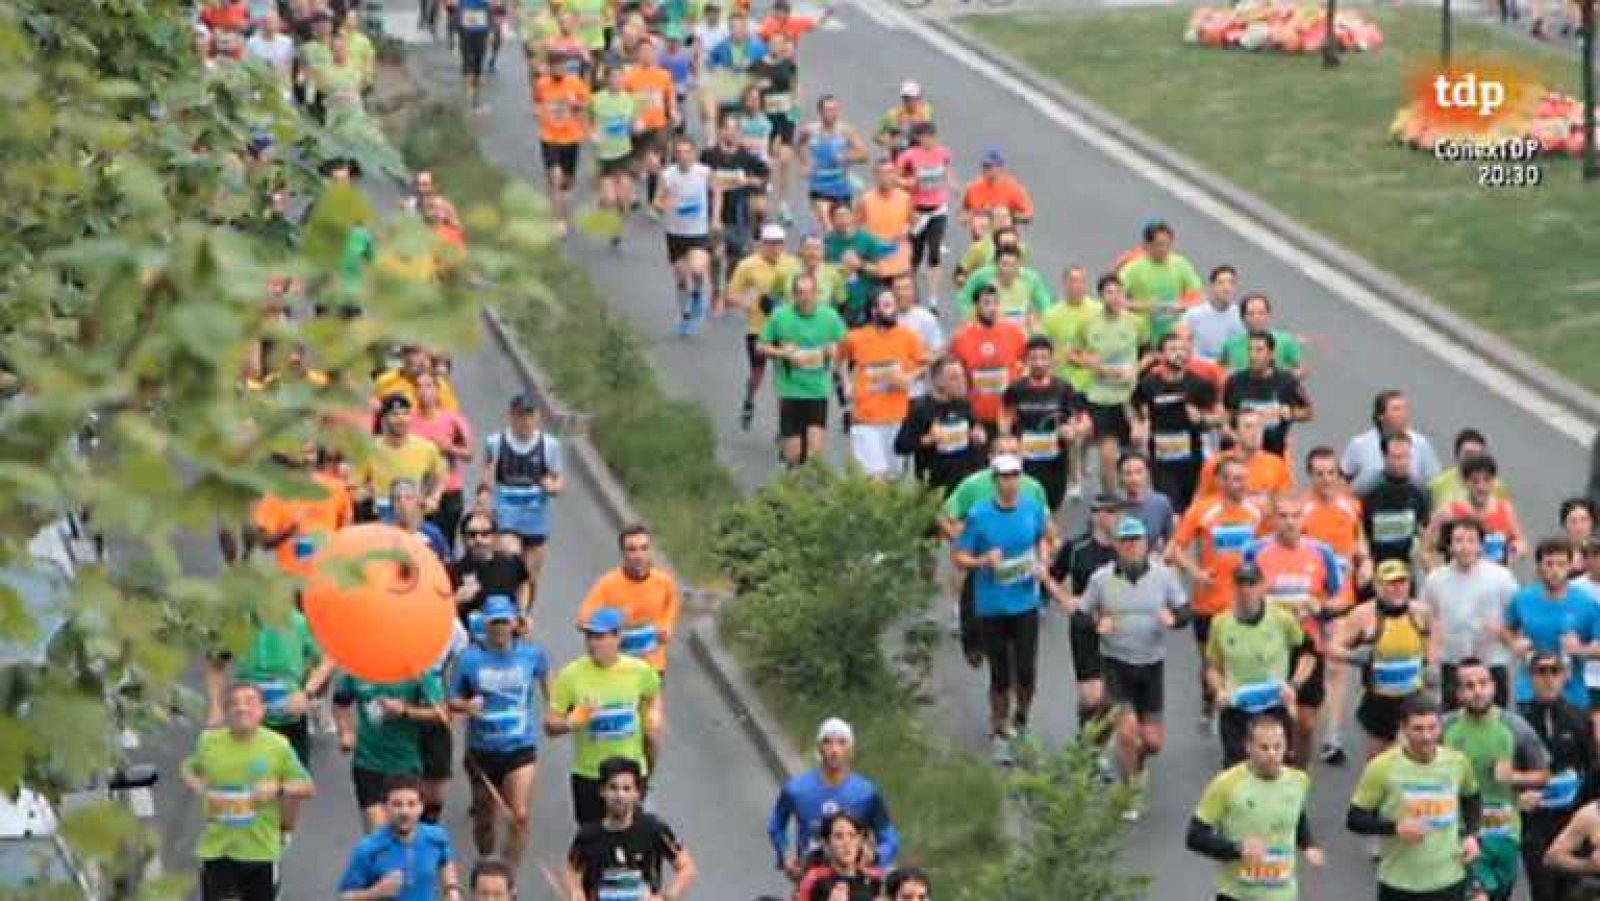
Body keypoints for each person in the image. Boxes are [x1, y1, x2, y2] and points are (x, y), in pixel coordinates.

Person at [1079, 516, 1190, 817]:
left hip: (1151, 666)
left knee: (1152, 743)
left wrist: (1174, 620)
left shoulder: (1163, 576)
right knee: (1128, 732)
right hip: (1116, 664)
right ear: (1116, 546)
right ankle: (1131, 791)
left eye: (1136, 540)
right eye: (1125, 541)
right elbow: (1080, 614)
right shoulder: (1101, 579)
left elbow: (1185, 610)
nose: (1131, 546)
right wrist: (1097, 622)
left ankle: (1134, 763)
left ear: (1146, 544)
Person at [952, 453, 1053, 764]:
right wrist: (983, 560)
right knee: (1000, 674)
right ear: (995, 480)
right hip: (992, 604)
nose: (1010, 483)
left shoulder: (1032, 508)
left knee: (1026, 670)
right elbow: (960, 556)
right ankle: (999, 730)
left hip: (1025, 601)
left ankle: (1021, 720)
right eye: (1004, 477)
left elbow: (1045, 539)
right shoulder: (979, 515)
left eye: (1014, 477)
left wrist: (1043, 562)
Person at [183, 683, 315, 901]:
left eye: (250, 702)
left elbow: (307, 787)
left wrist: (278, 787)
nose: (241, 708)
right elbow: (190, 769)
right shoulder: (208, 742)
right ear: (226, 712)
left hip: (260, 851)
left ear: (262, 710)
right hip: (218, 848)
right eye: (234, 704)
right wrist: (194, 782)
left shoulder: (278, 745)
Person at [1346, 695, 1483, 900]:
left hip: (1449, 879)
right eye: (1418, 729)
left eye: (1432, 728)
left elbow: (1472, 797)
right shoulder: (1382, 767)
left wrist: (1472, 835)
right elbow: (1355, 819)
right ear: (1403, 729)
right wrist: (1395, 828)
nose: (1426, 737)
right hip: (1400, 883)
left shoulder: (1457, 763)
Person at [451, 595, 551, 869]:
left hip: (520, 746)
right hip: (482, 749)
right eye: (494, 623)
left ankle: (507, 876)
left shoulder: (531, 655)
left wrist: (553, 708)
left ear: (515, 624)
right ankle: (487, 864)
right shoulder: (469, 659)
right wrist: (466, 706)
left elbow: (546, 678)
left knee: (519, 815)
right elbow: (451, 699)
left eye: (504, 622)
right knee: (485, 818)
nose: (499, 629)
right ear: (485, 625)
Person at [1244, 493, 1342, 766]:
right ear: (1272, 519)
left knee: (1306, 724)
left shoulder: (1321, 552)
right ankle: (1271, 772)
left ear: (1304, 518)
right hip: (1269, 647)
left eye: (1296, 516)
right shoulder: (1256, 552)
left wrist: (1319, 607)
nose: (1290, 523)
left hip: (1307, 645)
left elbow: (1340, 598)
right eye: (1283, 516)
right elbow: (1244, 596)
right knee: (1271, 722)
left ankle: (1299, 775)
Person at [1443, 657, 1552, 901]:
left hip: (1503, 833)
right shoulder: (1445, 727)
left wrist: (1514, 777)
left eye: (1483, 683)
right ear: (1458, 693)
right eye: (1469, 686)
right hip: (1461, 834)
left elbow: (1544, 774)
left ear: (1493, 686)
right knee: (1476, 895)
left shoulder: (1515, 727)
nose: (1477, 691)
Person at [1169, 458, 1267, 732]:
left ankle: (1242, 714)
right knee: (1211, 661)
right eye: (1234, 479)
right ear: (1220, 482)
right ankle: (1209, 698)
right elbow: (1175, 549)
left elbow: (1268, 547)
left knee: (1245, 658)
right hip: (1209, 603)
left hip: (1245, 602)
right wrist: (1196, 572)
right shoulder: (1202, 510)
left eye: (1243, 478)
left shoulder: (1256, 512)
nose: (1240, 485)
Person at [939, 436, 1050, 668]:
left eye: (1014, 452)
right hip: (983, 567)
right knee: (981, 647)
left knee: (1021, 656)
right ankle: (972, 638)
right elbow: (945, 516)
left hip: (1020, 571)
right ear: (990, 458)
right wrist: (963, 544)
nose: (1008, 458)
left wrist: (1045, 559)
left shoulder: (1033, 488)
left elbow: (1046, 530)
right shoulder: (973, 485)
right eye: (1001, 452)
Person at [546, 608, 664, 824]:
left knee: (630, 836)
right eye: (589, 637)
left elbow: (654, 692)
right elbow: (550, 726)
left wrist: (654, 714)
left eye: (600, 637)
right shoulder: (571, 676)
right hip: (590, 775)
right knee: (594, 839)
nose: (593, 644)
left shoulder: (639, 671)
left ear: (617, 637)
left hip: (629, 774)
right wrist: (572, 722)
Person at [1187, 715, 1324, 900]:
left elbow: (1296, 815)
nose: (1272, 754)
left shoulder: (1298, 781)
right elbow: (1195, 836)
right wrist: (1237, 849)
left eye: (1277, 747)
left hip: (1283, 894)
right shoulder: (1227, 784)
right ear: (1249, 747)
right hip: (1236, 894)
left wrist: (1308, 845)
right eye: (1264, 748)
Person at [1303, 444, 1373, 765]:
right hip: (1308, 602)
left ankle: (1333, 736)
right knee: (1308, 666)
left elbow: (1360, 542)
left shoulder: (1350, 506)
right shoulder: (1301, 509)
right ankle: (1301, 725)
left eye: (1331, 473)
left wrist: (1365, 562)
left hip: (1342, 599)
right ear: (1310, 476)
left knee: (1336, 665)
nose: (1326, 480)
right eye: (1319, 474)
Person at [1204, 562, 1313, 767]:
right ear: (1233, 587)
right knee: (1239, 773)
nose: (1246, 590)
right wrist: (1218, 690)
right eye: (1240, 584)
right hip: (1237, 709)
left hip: (1274, 707)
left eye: (1252, 584)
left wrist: (1294, 685)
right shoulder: (1220, 623)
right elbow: (1213, 666)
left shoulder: (1282, 619)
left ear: (1262, 586)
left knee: (1274, 770)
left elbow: (1308, 655)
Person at [204, 605, 333, 771]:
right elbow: (216, 666)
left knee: (293, 781)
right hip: (247, 720)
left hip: (289, 720)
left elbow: (328, 659)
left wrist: (306, 693)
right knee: (248, 779)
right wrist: (216, 708)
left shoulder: (299, 623)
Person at [768, 717, 901, 878]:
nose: (834, 750)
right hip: (809, 876)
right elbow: (776, 825)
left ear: (851, 750)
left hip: (855, 878)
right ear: (819, 748)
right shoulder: (796, 789)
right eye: (827, 742)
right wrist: (785, 855)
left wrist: (876, 856)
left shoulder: (867, 793)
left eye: (842, 742)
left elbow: (890, 837)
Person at [1327, 559, 1434, 760]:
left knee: (1417, 755)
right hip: (1380, 700)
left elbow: (1432, 636)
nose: (1398, 589)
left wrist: (1429, 663)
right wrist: (1354, 656)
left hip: (1413, 696)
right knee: (1379, 760)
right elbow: (1332, 647)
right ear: (1377, 586)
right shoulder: (1363, 615)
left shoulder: (1420, 612)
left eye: (1402, 582)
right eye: (1391, 584)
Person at [333, 665, 448, 832]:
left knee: (402, 832)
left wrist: (405, 711)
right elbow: (340, 703)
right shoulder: (358, 669)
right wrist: (346, 732)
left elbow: (441, 713)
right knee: (378, 832)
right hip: (367, 763)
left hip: (405, 765)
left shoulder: (417, 671)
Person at [566, 756, 697, 901]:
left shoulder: (653, 828)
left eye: (626, 789)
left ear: (637, 794)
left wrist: (666, 897)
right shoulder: (588, 835)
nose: (619, 795)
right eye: (613, 788)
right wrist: (577, 894)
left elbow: (686, 867)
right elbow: (573, 871)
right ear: (602, 791)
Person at [477, 393, 565, 605]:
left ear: (537, 417)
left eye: (529, 415)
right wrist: (483, 500)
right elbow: (486, 477)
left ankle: (523, 614)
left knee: (530, 576)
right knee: (510, 563)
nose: (525, 421)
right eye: (520, 416)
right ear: (511, 416)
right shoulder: (496, 443)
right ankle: (506, 610)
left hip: (536, 519)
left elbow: (559, 480)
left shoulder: (549, 445)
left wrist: (552, 487)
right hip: (506, 516)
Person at [1045, 494, 1124, 730]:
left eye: (1116, 513)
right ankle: (1085, 734)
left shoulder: (1128, 547)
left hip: (1119, 628)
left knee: (1112, 696)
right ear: (1096, 516)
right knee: (1091, 696)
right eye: (1108, 512)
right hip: (1085, 625)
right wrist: (1066, 600)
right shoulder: (1076, 547)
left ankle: (1097, 743)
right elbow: (1051, 577)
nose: (1113, 518)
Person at [1526, 650, 1599, 900]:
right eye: (1541, 672)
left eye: (1554, 671)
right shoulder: (1519, 721)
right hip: (1536, 823)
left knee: (1576, 891)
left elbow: (1592, 769)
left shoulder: (1580, 718)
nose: (1548, 678)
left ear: (1564, 676)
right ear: (1531, 677)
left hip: (1573, 820)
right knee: (1542, 891)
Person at [1425, 517, 1518, 711]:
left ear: (1481, 546)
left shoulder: (1501, 577)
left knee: (1494, 719)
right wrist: (1431, 661)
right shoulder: (1435, 580)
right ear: (1450, 546)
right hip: (1452, 664)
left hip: (1491, 663)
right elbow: (1429, 620)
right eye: (1458, 541)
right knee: (1452, 721)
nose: (1465, 547)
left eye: (1471, 540)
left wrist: (1502, 632)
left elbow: (1517, 617)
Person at [759, 271, 848, 467]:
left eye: (809, 292)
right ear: (793, 295)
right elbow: (760, 346)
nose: (805, 298)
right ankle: (790, 468)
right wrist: (783, 353)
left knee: (815, 453)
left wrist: (834, 351)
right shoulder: (780, 316)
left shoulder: (830, 316)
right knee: (794, 454)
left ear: (817, 294)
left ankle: (809, 483)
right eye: (800, 293)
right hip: (790, 391)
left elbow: (846, 345)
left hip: (817, 391)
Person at [838, 290, 927, 479]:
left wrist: (909, 378)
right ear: (874, 310)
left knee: (893, 478)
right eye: (886, 305)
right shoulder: (856, 338)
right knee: (875, 478)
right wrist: (846, 384)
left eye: (894, 305)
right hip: (865, 418)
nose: (892, 310)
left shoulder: (908, 337)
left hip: (897, 417)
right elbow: (840, 360)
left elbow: (924, 365)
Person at [1505, 537, 1600, 711]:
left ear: (1570, 566)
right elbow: (1507, 629)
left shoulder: (1587, 604)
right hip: (1529, 693)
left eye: (1561, 564)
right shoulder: (1523, 599)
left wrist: (1580, 649)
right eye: (1549, 564)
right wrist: (1514, 644)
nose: (1555, 570)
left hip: (1572, 696)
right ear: (1539, 567)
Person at [1132, 330, 1220, 514]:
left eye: (1183, 350)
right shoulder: (1148, 384)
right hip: (1160, 458)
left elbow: (1219, 417)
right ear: (1161, 355)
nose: (1179, 354)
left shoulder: (1200, 384)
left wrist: (1202, 418)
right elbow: (1135, 408)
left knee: (1190, 508)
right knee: (1170, 506)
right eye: (1173, 350)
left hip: (1192, 458)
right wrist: (1139, 426)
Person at [1069, 273, 1141, 496]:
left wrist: (1136, 369)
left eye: (1118, 292)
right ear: (1101, 296)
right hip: (1101, 398)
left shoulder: (1135, 322)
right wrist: (1092, 365)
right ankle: (1111, 499)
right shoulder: (1089, 324)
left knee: (1134, 453)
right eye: (1109, 292)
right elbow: (1072, 354)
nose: (1115, 297)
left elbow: (1151, 352)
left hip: (1129, 398)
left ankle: (1135, 496)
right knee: (1107, 455)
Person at [576, 524, 682, 675]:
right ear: (623, 553)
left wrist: (666, 628)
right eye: (632, 550)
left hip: (651, 667)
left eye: (644, 548)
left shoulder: (665, 583)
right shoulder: (608, 584)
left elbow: (671, 608)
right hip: (618, 668)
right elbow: (583, 620)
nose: (639, 556)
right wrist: (610, 628)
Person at [727, 223, 803, 430]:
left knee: (784, 379)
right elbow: (731, 296)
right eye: (769, 243)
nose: (774, 248)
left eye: (778, 243)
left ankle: (783, 425)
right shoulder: (747, 266)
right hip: (758, 329)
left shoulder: (793, 265)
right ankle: (749, 399)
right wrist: (748, 303)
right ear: (761, 244)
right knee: (757, 374)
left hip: (785, 330)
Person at [337, 777, 462, 901]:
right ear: (385, 808)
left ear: (421, 807)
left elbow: (446, 860)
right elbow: (345, 896)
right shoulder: (369, 848)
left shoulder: (436, 837)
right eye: (397, 805)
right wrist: (375, 892)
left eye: (411, 804)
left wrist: (451, 889)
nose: (404, 812)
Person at [1000, 335, 1082, 512]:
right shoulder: (1016, 389)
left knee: (1052, 507)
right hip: (1025, 461)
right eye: (1034, 358)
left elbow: (1078, 419)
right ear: (1026, 361)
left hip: (1055, 461)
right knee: (1026, 507)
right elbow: (1005, 416)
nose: (1039, 363)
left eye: (1044, 358)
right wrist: (1005, 438)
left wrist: (1072, 430)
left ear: (1051, 360)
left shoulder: (1064, 388)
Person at [701, 113, 770, 308]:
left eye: (735, 129)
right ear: (720, 131)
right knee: (716, 253)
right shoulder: (709, 155)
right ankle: (716, 290)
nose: (731, 133)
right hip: (715, 212)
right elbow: (701, 178)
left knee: (738, 255)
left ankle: (730, 286)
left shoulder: (746, 157)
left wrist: (748, 181)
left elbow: (763, 177)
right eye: (727, 128)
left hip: (739, 212)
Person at [655, 135, 719, 336]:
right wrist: (665, 205)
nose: (683, 156)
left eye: (687, 152)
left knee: (697, 268)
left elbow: (717, 192)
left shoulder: (704, 172)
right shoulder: (668, 175)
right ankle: (685, 315)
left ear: (694, 154)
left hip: (698, 232)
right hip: (675, 233)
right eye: (679, 153)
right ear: (675, 155)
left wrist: (715, 218)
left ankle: (698, 293)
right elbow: (657, 202)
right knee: (681, 277)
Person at [895, 356, 985, 496]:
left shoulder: (963, 404)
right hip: (936, 486)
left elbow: (976, 430)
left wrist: (979, 436)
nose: (962, 382)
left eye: (962, 376)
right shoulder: (920, 408)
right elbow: (900, 446)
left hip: (965, 482)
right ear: (938, 381)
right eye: (954, 378)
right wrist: (928, 439)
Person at [947, 285, 1027, 435]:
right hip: (977, 418)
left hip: (1010, 415)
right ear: (976, 307)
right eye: (986, 303)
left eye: (996, 303)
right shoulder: (961, 338)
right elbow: (953, 378)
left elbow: (1028, 364)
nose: (992, 308)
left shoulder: (1015, 333)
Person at [894, 122, 957, 310]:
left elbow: (947, 169)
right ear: (919, 138)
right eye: (926, 137)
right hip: (917, 211)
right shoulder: (909, 156)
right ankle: (911, 294)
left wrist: (952, 183)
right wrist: (908, 183)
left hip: (937, 209)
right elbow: (895, 177)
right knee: (915, 255)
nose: (930, 140)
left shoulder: (943, 153)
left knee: (934, 253)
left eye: (933, 136)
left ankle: (933, 300)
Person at [1222, 332, 1313, 460]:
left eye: (1259, 350)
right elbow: (1227, 412)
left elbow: (1308, 412)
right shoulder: (1235, 381)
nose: (1253, 355)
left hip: (1273, 455)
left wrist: (1291, 413)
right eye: (1250, 350)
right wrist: (1226, 428)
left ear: (1271, 354)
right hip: (1239, 457)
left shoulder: (1287, 381)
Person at [409, 371, 474, 551]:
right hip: (421, 491)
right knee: (422, 541)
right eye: (418, 387)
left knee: (446, 542)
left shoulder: (453, 419)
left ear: (437, 391)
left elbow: (469, 454)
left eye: (428, 386)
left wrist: (449, 448)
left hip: (450, 490)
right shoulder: (409, 420)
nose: (423, 391)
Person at [358, 393, 446, 523]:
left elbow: (441, 476)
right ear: (383, 419)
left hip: (414, 516)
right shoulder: (369, 449)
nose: (401, 419)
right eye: (395, 414)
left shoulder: (426, 447)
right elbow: (355, 486)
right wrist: (364, 493)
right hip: (380, 516)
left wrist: (434, 498)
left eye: (405, 414)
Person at [1429, 455, 1526, 567]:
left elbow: (1521, 543)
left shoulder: (1505, 509)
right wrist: (1437, 573)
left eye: (1486, 480)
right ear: (1465, 483)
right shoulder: (1449, 512)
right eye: (1475, 481)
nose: (1481, 487)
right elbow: (1427, 550)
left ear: (1495, 481)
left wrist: (1512, 551)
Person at [1342, 390, 1444, 495]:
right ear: (1381, 416)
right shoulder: (1359, 444)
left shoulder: (1420, 443)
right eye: (1396, 409)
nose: (1403, 414)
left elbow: (1434, 480)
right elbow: (1344, 478)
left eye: (1405, 408)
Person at [1117, 220, 1204, 343]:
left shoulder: (1181, 264)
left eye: (1168, 244)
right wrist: (1144, 306)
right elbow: (1113, 299)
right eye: (1159, 244)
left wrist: (1180, 306)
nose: (1164, 249)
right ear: (1147, 245)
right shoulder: (1133, 268)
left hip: (1175, 336)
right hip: (1145, 335)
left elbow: (1199, 297)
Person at [534, 53, 592, 234]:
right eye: (556, 67)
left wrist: (576, 105)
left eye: (562, 66)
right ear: (550, 68)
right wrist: (541, 114)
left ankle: (561, 208)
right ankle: (558, 219)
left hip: (571, 139)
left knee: (567, 182)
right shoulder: (542, 84)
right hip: (550, 138)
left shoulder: (575, 83)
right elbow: (538, 101)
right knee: (555, 177)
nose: (559, 70)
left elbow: (587, 104)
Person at [1360, 432, 1434, 568]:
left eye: (1407, 456)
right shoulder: (1367, 489)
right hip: (1375, 560)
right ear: (1384, 457)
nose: (1403, 462)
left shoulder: (1421, 490)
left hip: (1410, 562)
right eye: (1397, 457)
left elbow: (1426, 527)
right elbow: (1360, 530)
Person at [797, 94, 868, 228]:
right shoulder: (810, 130)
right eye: (829, 110)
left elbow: (864, 154)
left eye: (835, 109)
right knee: (827, 224)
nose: (833, 113)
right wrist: (805, 163)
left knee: (843, 226)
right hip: (819, 187)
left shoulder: (846, 131)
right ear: (820, 112)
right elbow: (799, 144)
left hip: (841, 187)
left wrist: (846, 156)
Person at [451, 510, 533, 625]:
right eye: (472, 534)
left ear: (495, 537)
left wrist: (522, 612)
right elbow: (440, 611)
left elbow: (524, 582)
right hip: (470, 633)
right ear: (463, 538)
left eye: (485, 534)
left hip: (507, 631)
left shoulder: (510, 562)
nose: (478, 539)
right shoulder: (453, 571)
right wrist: (457, 600)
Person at [794, 812, 886, 901]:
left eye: (852, 835)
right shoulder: (814, 879)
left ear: (860, 841)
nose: (847, 843)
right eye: (839, 836)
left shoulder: (876, 879)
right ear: (826, 844)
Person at [1219, 294, 1306, 379]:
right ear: (1242, 318)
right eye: (1250, 314)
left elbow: (1300, 369)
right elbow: (1220, 370)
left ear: (1268, 315)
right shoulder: (1231, 344)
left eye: (1261, 313)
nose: (1256, 317)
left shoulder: (1286, 340)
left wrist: (1284, 381)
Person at [1430, 428, 1513, 509]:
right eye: (1468, 454)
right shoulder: (1438, 484)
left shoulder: (1498, 487)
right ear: (1457, 455)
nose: (1473, 459)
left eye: (1478, 454)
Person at [1182, 265, 1246, 364]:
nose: (1227, 288)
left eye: (1231, 283)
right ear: (1212, 287)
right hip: (1200, 368)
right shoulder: (1193, 315)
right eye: (1221, 283)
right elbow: (1182, 344)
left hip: (1230, 369)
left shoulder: (1243, 316)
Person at [1119, 451, 1177, 552]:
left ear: (1147, 474)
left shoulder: (1161, 503)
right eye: (1128, 474)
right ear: (1121, 477)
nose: (1134, 479)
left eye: (1139, 472)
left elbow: (1171, 541)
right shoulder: (1114, 506)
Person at [960, 148, 1033, 225]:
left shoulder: (1014, 188)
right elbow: (963, 212)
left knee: (1001, 213)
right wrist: (970, 217)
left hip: (1005, 229)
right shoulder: (973, 188)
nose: (986, 169)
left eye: (989, 167)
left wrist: (1008, 216)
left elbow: (1028, 215)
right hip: (981, 229)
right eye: (984, 166)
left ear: (1000, 168)